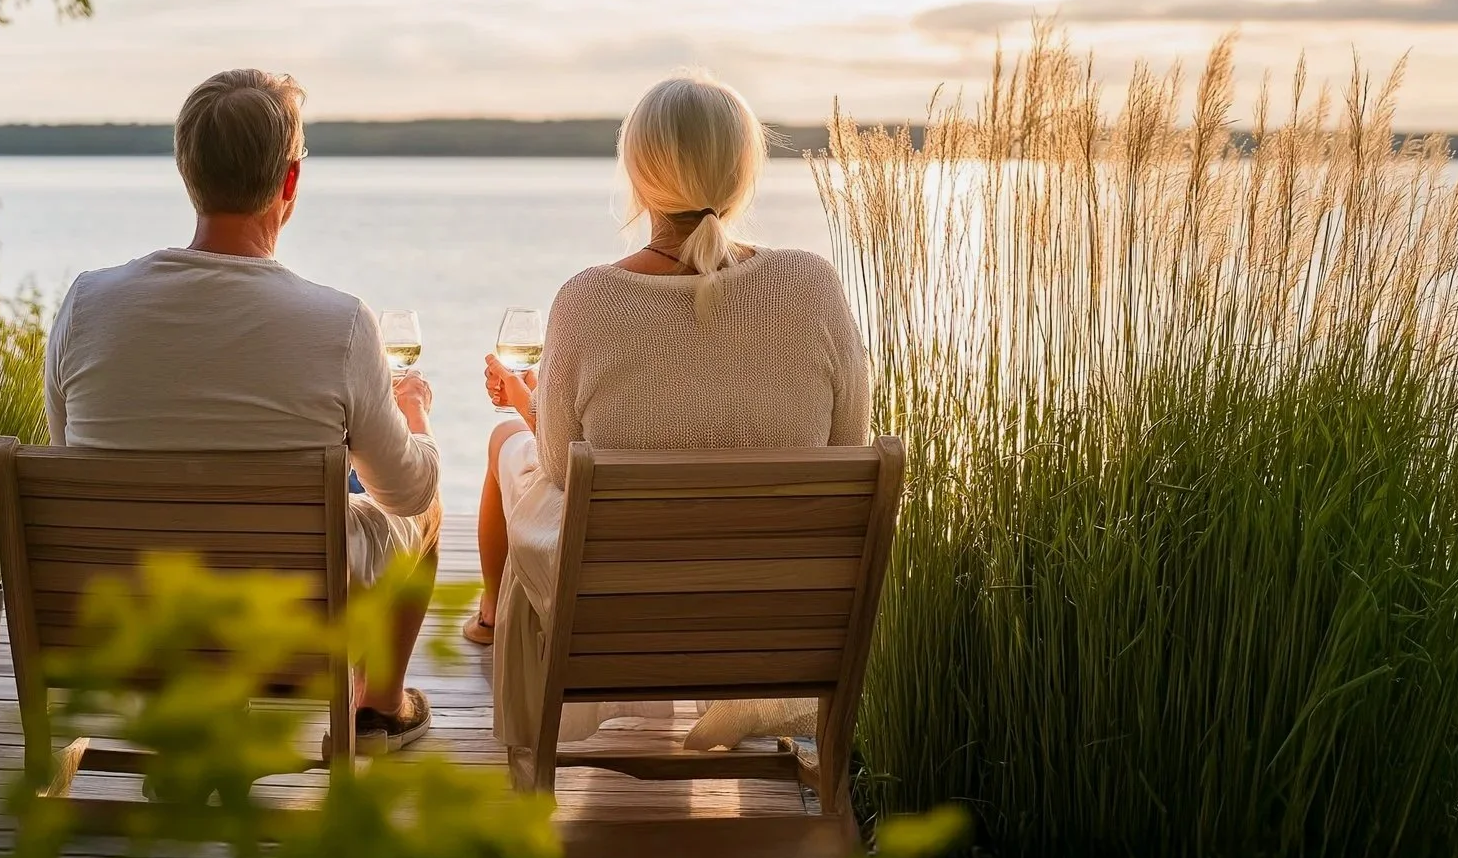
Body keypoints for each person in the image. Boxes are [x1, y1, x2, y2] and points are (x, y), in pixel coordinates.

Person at [472, 73, 871, 766]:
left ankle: (489, 624)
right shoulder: (811, 285)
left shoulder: (589, 300)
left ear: (637, 173)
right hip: (772, 616)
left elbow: (564, 469)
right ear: (745, 170)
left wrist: (527, 402)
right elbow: (848, 448)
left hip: (616, 619)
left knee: (512, 446)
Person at [45, 67, 442, 752]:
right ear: (288, 185)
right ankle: (377, 709)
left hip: (131, 619)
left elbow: (67, 461)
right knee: (420, 503)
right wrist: (416, 422)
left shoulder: (87, 306)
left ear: (186, 171)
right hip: (283, 624)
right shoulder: (341, 325)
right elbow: (406, 493)